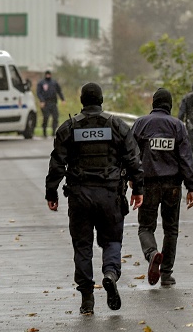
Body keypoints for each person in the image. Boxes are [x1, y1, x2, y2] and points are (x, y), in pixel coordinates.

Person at [45, 82, 144, 315]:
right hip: (110, 195)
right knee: (111, 240)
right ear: (101, 100)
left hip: (80, 196)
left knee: (82, 245)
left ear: (81, 101)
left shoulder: (68, 128)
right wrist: (138, 188)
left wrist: (51, 193)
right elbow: (134, 160)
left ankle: (87, 298)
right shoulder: (117, 126)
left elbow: (57, 163)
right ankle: (110, 273)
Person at [131, 88, 193, 286]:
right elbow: (186, 158)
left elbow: (131, 155)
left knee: (145, 227)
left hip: (147, 184)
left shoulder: (141, 124)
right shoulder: (177, 125)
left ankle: (151, 253)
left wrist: (132, 180)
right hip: (172, 185)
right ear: (170, 104)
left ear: (153, 103)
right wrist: (191, 186)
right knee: (171, 229)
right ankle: (166, 274)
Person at [36, 70, 65, 137]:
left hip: (53, 102)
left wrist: (62, 99)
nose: (48, 76)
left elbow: (59, 91)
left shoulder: (54, 82)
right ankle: (44, 132)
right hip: (45, 103)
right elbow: (38, 93)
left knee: (55, 117)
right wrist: (42, 100)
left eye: (49, 74)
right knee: (46, 117)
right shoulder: (41, 83)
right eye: (47, 74)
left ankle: (53, 132)